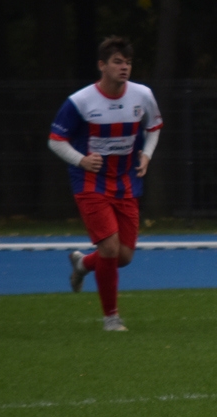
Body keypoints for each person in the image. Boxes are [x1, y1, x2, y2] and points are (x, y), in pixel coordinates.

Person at [48, 36, 163, 331]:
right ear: (102, 65)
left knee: (123, 256)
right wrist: (81, 160)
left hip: (125, 182)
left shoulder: (142, 95)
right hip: (90, 183)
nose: (124, 68)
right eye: (117, 62)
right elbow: (56, 140)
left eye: (128, 62)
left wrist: (147, 155)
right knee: (110, 248)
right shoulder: (81, 101)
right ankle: (111, 318)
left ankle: (84, 264)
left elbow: (154, 128)